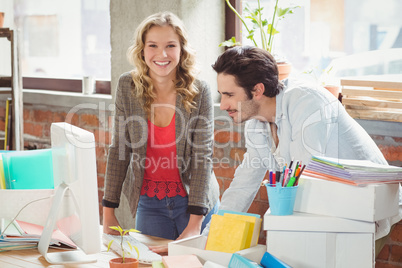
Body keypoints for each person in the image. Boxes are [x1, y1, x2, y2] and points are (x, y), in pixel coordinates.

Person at [203, 46, 401, 256]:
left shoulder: (306, 102)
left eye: (229, 95)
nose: (223, 105)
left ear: (258, 90)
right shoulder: (256, 125)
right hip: (326, 211)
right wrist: (206, 240)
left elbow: (303, 180)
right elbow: (243, 186)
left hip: (365, 210)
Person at [102, 11, 220, 251]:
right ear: (142, 49)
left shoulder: (201, 91)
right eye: (153, 45)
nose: (162, 54)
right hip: (150, 203)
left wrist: (195, 222)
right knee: (151, 264)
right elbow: (119, 150)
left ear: (182, 49)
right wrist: (108, 213)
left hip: (194, 202)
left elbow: (202, 157)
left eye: (170, 46)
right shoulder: (127, 85)